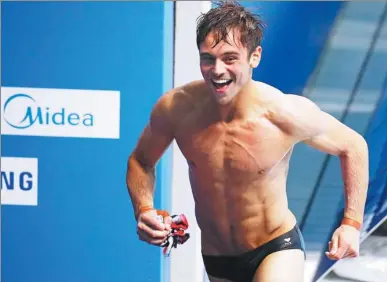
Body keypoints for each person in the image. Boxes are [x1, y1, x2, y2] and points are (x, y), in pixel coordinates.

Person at [126, 1, 369, 281]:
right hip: (218, 257)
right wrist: (144, 209)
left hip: (276, 247)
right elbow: (140, 162)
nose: (217, 70)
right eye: (208, 58)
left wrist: (351, 224)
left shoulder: (283, 113)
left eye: (230, 58)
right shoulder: (176, 109)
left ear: (254, 57)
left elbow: (354, 146)